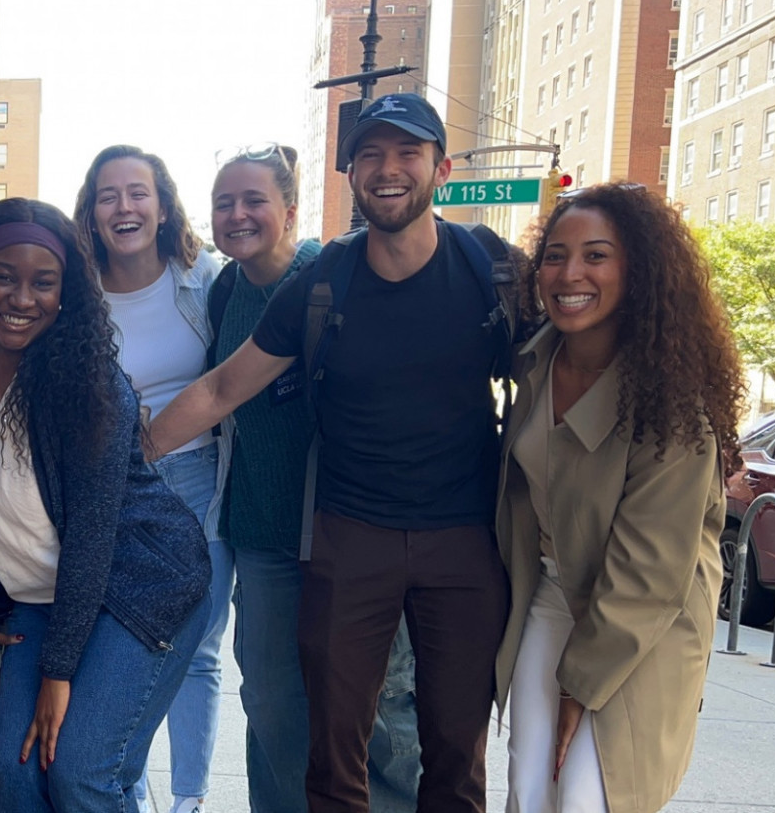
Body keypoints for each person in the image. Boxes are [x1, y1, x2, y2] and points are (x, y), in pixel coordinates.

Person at [149, 94, 517, 813]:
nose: (388, 170)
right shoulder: (325, 283)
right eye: (370, 155)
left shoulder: (490, 267)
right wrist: (131, 460)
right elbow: (223, 386)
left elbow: (576, 353)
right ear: (349, 173)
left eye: (406, 153)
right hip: (350, 538)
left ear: (440, 168)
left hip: (463, 539)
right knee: (333, 752)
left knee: (452, 750)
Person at [0, 198, 211, 811]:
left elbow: (91, 536)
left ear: (66, 292)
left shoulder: (87, 383)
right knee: (19, 776)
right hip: (36, 603)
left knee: (81, 771)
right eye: (4, 276)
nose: (22, 298)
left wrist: (57, 675)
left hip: (137, 587)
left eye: (43, 283)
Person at [494, 184, 740, 813]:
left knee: (589, 795)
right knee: (530, 785)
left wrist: (581, 686)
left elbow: (650, 573)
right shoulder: (535, 364)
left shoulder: (670, 404)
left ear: (638, 271)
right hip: (551, 596)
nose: (570, 273)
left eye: (596, 256)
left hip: (643, 622)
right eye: (554, 255)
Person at [204, 145, 423, 813]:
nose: (237, 214)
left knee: (376, 711)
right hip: (264, 538)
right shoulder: (222, 291)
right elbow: (216, 396)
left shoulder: (334, 277)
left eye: (253, 201)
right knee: (272, 707)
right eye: (223, 203)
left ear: (290, 211)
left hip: (356, 538)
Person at [71, 146, 226, 813]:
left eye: (138, 192)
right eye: (109, 195)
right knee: (126, 648)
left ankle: (188, 797)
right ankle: (125, 787)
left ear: (163, 205)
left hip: (196, 478)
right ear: (93, 211)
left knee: (196, 650)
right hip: (116, 490)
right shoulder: (76, 290)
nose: (124, 207)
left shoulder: (205, 278)